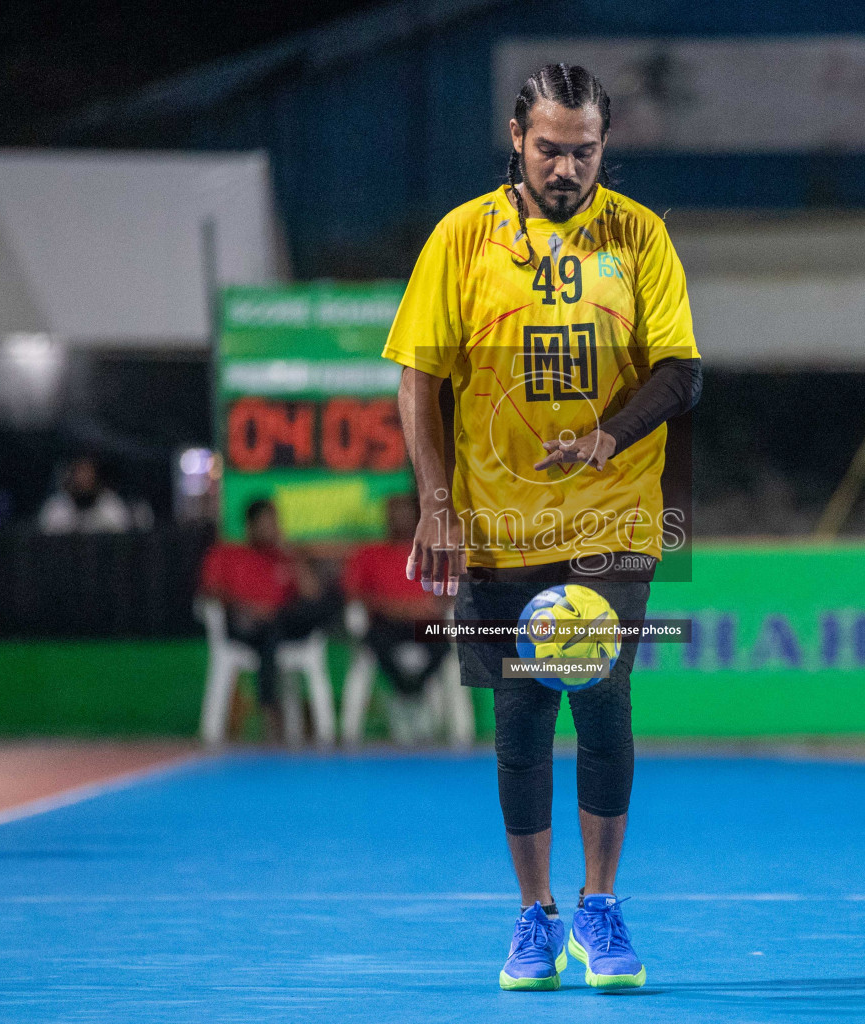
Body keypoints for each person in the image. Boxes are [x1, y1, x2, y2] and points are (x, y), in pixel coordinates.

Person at [384, 64, 702, 990]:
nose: (567, 166)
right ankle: (535, 919)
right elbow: (419, 377)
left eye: (585, 150)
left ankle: (601, 907)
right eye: (551, 148)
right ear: (517, 138)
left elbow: (682, 373)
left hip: (614, 516)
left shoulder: (640, 238)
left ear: (605, 146)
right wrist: (437, 506)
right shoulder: (462, 238)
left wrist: (610, 438)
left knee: (598, 691)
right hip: (495, 523)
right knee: (519, 714)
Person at [199, 497, 341, 742]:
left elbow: (311, 594)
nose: (272, 527)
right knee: (270, 629)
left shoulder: (285, 557)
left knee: (312, 610)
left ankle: (272, 712)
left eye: (275, 522)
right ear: (250, 526)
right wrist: (247, 606)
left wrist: (292, 556)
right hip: (243, 626)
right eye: (266, 522)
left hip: (282, 625)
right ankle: (270, 710)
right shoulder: (228, 554)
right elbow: (209, 591)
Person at [342, 494, 452, 737]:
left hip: (425, 625)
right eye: (394, 513)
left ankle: (414, 697)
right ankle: (403, 698)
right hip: (386, 625)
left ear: (416, 517)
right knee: (375, 644)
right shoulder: (369, 554)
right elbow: (354, 596)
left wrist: (430, 606)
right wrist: (395, 607)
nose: (399, 518)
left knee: (443, 647)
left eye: (404, 513)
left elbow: (449, 595)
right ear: (386, 517)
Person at [38, 454, 137, 534]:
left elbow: (121, 539)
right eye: (79, 473)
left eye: (88, 473)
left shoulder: (111, 506)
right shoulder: (57, 507)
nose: (83, 479)